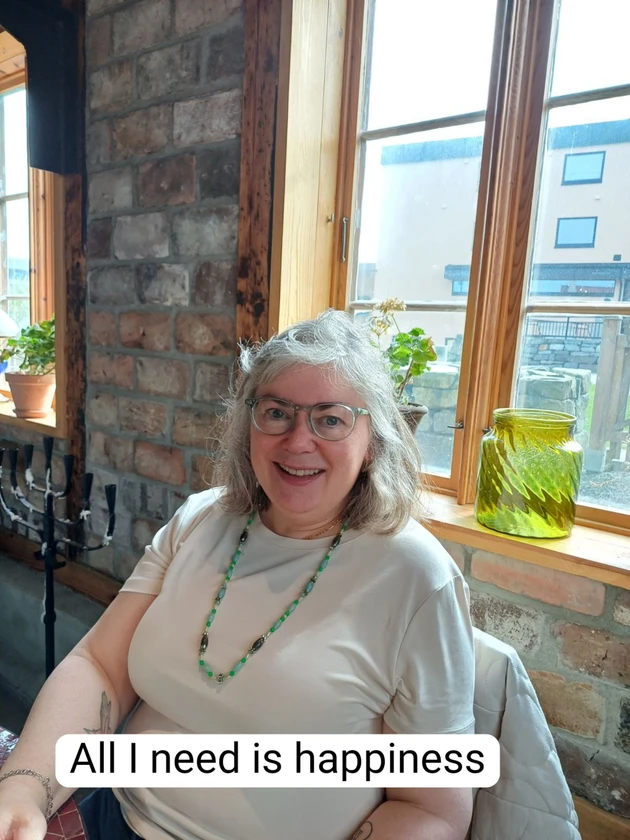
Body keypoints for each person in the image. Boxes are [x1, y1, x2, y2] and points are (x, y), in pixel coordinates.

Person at [0, 309, 475, 840]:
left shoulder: (417, 576)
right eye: (276, 413)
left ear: (373, 442)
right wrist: (23, 790)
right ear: (248, 425)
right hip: (118, 817)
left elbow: (432, 809)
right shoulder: (202, 518)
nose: (298, 441)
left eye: (331, 419)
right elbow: (100, 666)